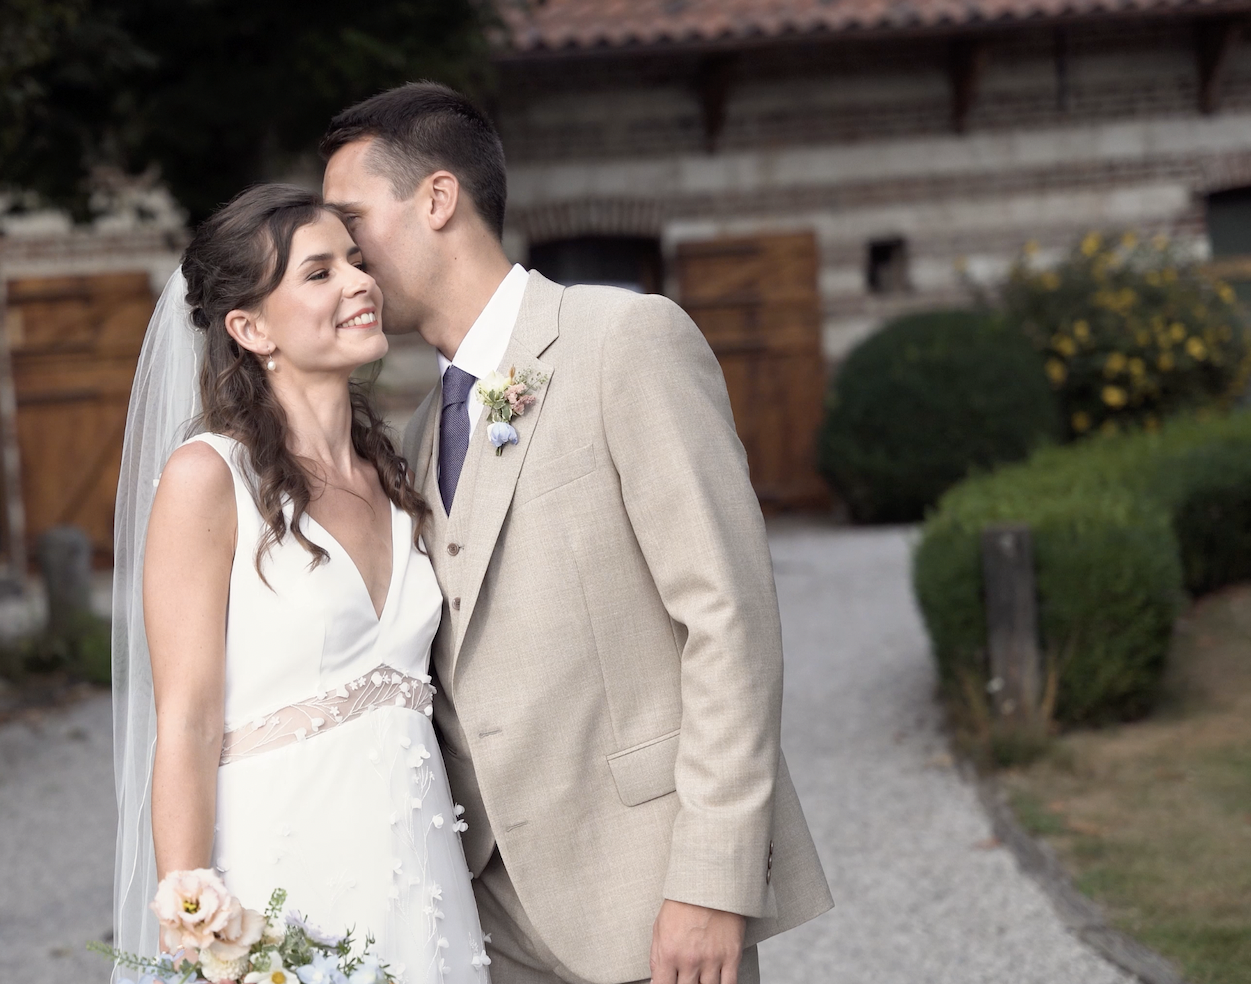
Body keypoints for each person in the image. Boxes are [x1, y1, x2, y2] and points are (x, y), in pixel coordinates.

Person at [319, 83, 833, 984]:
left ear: (437, 199)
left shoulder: (624, 340)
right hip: (485, 915)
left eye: (353, 221)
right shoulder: (411, 434)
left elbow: (728, 616)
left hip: (646, 897)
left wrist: (712, 881)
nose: (346, 258)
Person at [111, 183, 493, 984]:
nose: (360, 282)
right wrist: (196, 918)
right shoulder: (208, 480)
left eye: (357, 262)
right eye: (319, 273)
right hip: (283, 874)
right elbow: (183, 722)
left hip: (423, 878)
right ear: (250, 328)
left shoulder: (397, 471)